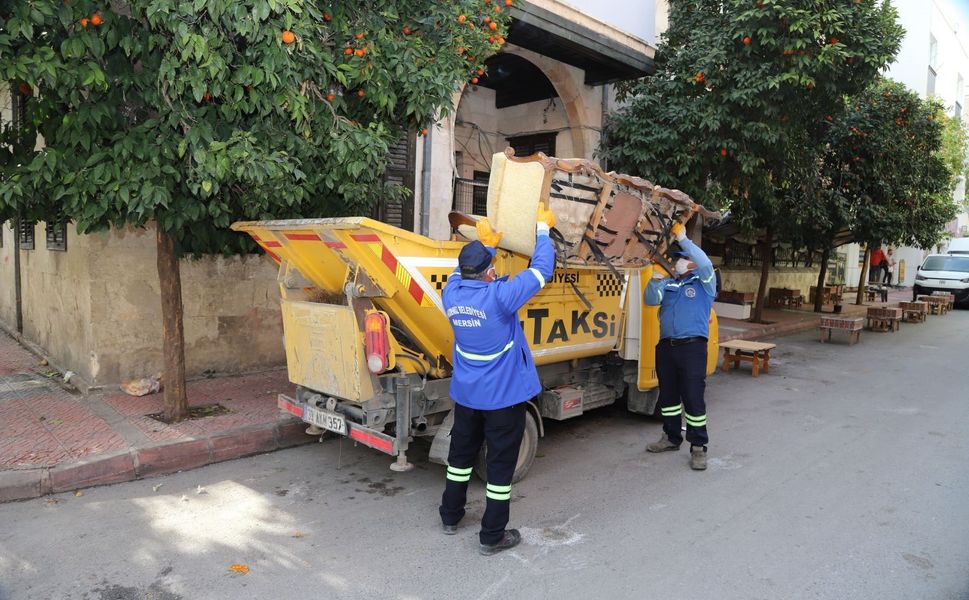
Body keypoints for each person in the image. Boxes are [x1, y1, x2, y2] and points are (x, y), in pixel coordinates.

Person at [439, 204, 557, 556]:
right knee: (500, 467)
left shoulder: (452, 294)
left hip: (467, 395)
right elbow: (542, 269)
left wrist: (486, 247)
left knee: (460, 457)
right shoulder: (500, 298)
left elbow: (463, 272)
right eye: (492, 268)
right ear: (490, 273)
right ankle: (492, 535)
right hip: (503, 399)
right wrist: (541, 231)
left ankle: (450, 515)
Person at [643, 220, 717, 470]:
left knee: (694, 398)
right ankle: (671, 437)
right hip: (666, 347)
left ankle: (698, 446)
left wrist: (685, 240)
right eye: (678, 258)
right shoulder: (669, 284)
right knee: (669, 396)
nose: (679, 261)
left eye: (683, 257)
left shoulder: (704, 284)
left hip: (693, 348)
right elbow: (651, 300)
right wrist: (655, 280)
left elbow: (706, 264)